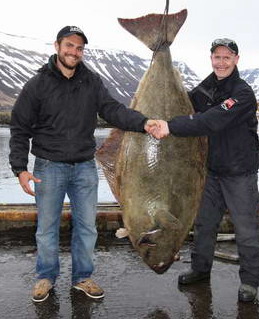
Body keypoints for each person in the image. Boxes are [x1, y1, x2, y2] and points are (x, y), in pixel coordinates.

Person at [9, 25, 157, 303]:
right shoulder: (37, 84)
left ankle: (82, 277)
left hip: (84, 168)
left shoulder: (92, 81)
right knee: (47, 227)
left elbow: (113, 110)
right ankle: (45, 277)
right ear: (57, 46)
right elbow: (19, 128)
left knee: (87, 227)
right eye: (69, 46)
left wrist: (143, 122)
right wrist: (20, 169)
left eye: (79, 48)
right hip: (48, 167)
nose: (74, 52)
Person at [148, 38, 259, 302]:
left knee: (246, 230)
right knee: (204, 225)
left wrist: (171, 127)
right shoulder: (206, 87)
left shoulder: (243, 93)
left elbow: (212, 120)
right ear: (211, 59)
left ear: (236, 59)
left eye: (227, 57)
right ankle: (200, 270)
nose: (221, 62)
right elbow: (184, 104)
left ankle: (249, 282)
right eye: (217, 57)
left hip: (239, 174)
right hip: (211, 172)